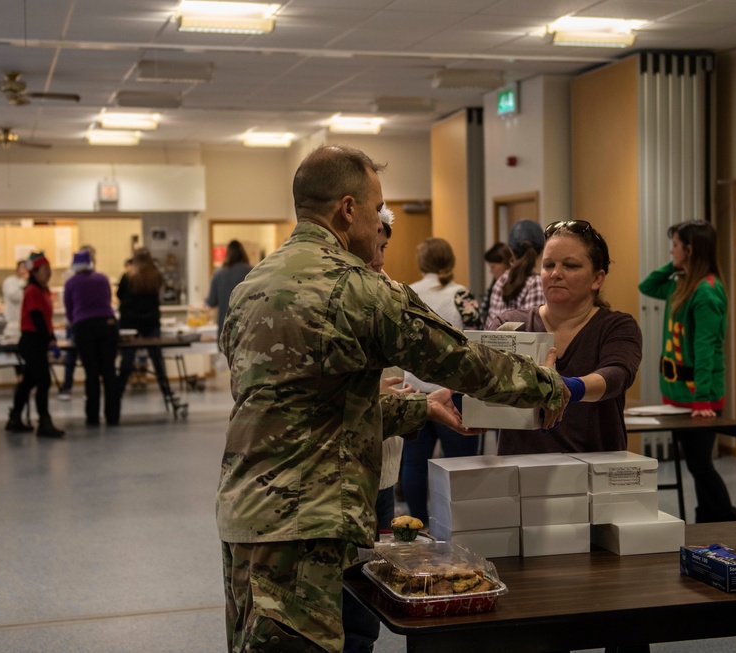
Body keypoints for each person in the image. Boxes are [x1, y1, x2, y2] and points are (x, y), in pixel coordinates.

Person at [217, 145, 573, 653]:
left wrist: (419, 408)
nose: (379, 218)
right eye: (376, 206)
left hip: (245, 516)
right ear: (348, 209)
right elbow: (460, 359)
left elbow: (303, 409)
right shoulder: (355, 288)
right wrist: (545, 385)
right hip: (304, 526)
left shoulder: (253, 285)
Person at [492, 220, 643, 454]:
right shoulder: (509, 325)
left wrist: (568, 388)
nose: (555, 274)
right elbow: (483, 370)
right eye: (548, 265)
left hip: (593, 471)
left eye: (570, 266)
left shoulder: (616, 326)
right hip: (520, 474)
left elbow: (617, 374)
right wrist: (453, 390)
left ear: (597, 279)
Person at [639, 220, 736, 523]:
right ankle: (708, 518)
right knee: (695, 464)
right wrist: (675, 266)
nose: (671, 251)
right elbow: (648, 285)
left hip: (699, 396)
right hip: (678, 395)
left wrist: (704, 400)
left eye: (675, 246)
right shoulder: (679, 284)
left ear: (690, 250)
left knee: (700, 465)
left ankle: (725, 517)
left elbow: (707, 349)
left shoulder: (707, 292)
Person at [342, 204, 401, 653]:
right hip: (342, 474)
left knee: (368, 592)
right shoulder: (338, 297)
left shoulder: (391, 293)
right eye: (374, 245)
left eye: (384, 246)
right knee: (341, 596)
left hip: (383, 469)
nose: (379, 258)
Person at [399, 237, 483, 525]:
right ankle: (459, 524)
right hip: (454, 392)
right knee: (461, 465)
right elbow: (478, 344)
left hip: (414, 391)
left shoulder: (406, 292)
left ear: (422, 262)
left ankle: (417, 526)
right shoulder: (463, 296)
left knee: (413, 462)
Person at [5, 251, 65, 439]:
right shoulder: (31, 291)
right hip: (32, 340)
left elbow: (46, 319)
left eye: (49, 270)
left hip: (38, 339)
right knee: (44, 381)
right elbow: (37, 317)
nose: (48, 273)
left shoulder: (43, 290)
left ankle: (15, 418)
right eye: (45, 270)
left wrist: (52, 337)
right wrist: (49, 339)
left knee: (29, 382)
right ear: (35, 272)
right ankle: (44, 423)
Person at [63, 248, 119, 427]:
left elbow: (69, 309)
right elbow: (108, 300)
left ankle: (93, 417)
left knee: (92, 373)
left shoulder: (71, 283)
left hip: (84, 327)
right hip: (107, 324)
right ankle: (113, 416)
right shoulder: (102, 278)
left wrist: (75, 325)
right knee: (109, 372)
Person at [115, 247, 171, 422]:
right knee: (157, 360)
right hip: (151, 322)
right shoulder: (155, 276)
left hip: (130, 324)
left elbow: (119, 295)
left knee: (127, 361)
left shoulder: (128, 277)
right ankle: (167, 393)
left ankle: (117, 396)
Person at [485, 220, 546, 329]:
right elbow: (533, 329)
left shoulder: (501, 281)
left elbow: (490, 326)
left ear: (510, 251)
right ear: (543, 250)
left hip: (495, 345)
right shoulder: (537, 283)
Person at [59, 245, 96, 400]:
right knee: (71, 357)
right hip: (76, 322)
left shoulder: (95, 276)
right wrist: (72, 321)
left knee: (88, 358)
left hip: (84, 322)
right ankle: (67, 387)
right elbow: (69, 303)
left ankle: (89, 389)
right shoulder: (71, 277)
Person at [205, 240, 252, 338]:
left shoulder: (218, 274)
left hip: (225, 327)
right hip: (246, 328)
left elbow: (211, 302)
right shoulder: (252, 272)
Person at [480, 242, 513, 326]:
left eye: (493, 267)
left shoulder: (515, 286)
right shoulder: (494, 287)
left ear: (506, 263)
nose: (491, 271)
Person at [1, 259, 28, 341]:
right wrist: (24, 281)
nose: (24, 270)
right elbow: (15, 297)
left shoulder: (29, 283)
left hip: (25, 324)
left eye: (26, 268)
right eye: (22, 268)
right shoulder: (10, 281)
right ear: (17, 269)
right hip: (12, 323)